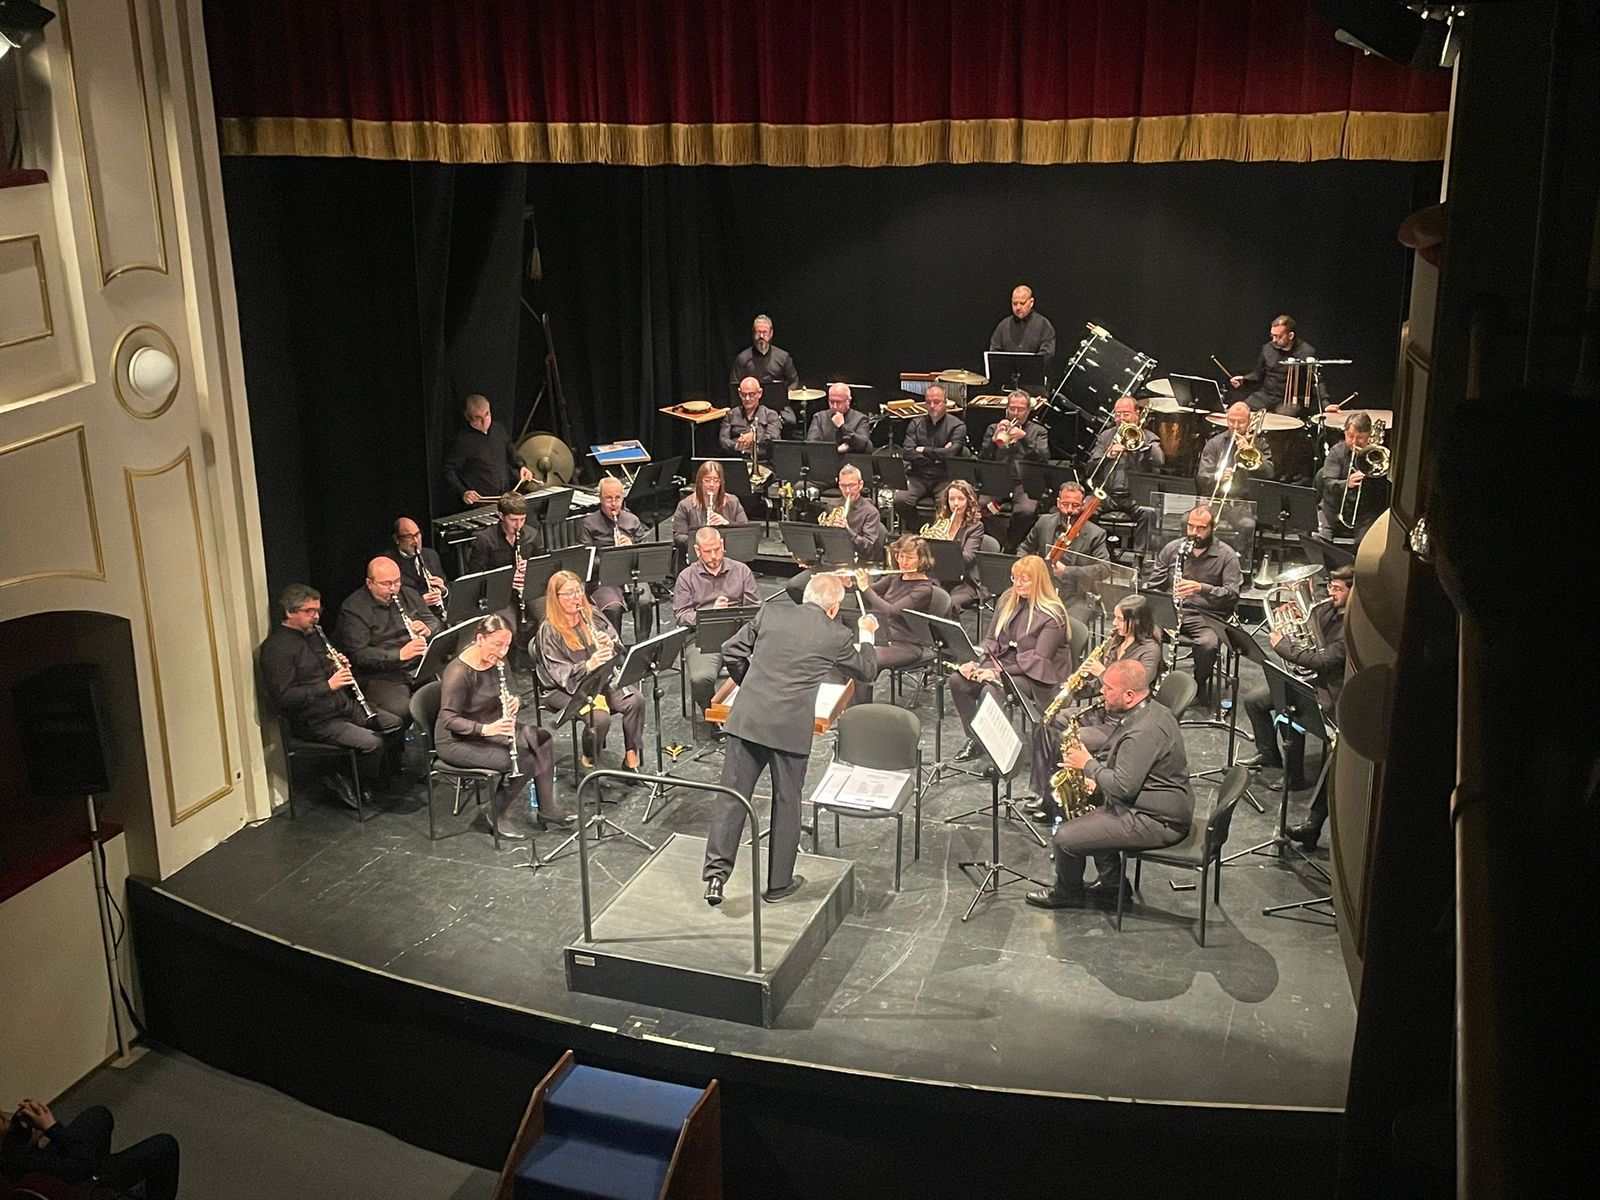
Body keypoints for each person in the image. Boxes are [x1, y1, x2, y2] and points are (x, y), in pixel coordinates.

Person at [702, 574, 878, 906]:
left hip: (748, 720)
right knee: (787, 802)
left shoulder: (771, 612)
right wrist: (867, 634)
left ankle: (715, 877)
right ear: (834, 607)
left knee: (732, 796)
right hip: (789, 730)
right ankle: (779, 884)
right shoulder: (837, 634)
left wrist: (749, 683)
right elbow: (867, 670)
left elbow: (731, 650)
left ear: (807, 597)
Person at [1025, 658, 1193, 912]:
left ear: (1129, 695)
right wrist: (1097, 781)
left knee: (1064, 837)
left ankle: (1068, 894)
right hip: (1153, 805)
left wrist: (1088, 764)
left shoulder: (1142, 732)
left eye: (1109, 688)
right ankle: (1113, 886)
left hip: (1157, 820)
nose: (1102, 692)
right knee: (1088, 811)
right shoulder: (1153, 711)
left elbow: (1124, 788)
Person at [259, 584, 403, 807]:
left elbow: (326, 672)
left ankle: (360, 776)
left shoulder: (315, 635)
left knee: (394, 723)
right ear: (290, 612)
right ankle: (344, 778)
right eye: (309, 612)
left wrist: (338, 666)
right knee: (372, 742)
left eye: (318, 611)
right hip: (315, 719)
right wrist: (328, 685)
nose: (316, 617)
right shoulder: (277, 649)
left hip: (342, 705)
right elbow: (284, 698)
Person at [1025, 595, 1164, 820]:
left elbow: (1135, 685)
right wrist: (1078, 687)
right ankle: (1042, 789)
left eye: (1120, 619)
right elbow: (1101, 687)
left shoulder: (1150, 651)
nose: (1115, 624)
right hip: (1103, 708)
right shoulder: (1117, 641)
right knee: (1047, 722)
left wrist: (1102, 672)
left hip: (1123, 721)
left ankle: (1059, 801)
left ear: (1135, 621)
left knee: (1066, 739)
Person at [1240, 566, 1351, 847]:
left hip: (1330, 689)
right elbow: (1309, 624)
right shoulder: (1327, 609)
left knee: (1293, 710)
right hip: (1309, 678)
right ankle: (1269, 754)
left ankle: (1296, 776)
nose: (1331, 594)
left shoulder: (1352, 625)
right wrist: (1295, 610)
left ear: (1354, 591)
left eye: (1338, 589)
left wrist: (1285, 649)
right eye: (1331, 587)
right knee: (1254, 700)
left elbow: (1325, 661)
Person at [434, 614, 566, 839]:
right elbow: (449, 719)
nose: (502, 651)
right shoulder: (459, 672)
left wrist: (515, 701)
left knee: (542, 739)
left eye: (506, 645)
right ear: (479, 639)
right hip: (458, 738)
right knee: (524, 760)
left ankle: (548, 810)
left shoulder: (499, 660)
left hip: (492, 725)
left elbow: (514, 692)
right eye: (497, 644)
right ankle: (495, 814)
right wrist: (485, 730)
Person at [947, 554, 1073, 760]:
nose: (1018, 584)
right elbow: (991, 640)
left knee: (991, 689)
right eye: (1015, 578)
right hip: (1006, 663)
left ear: (1039, 580)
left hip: (1037, 676)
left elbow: (1038, 659)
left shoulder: (1053, 615)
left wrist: (995, 673)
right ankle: (977, 739)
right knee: (958, 681)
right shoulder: (1007, 599)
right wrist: (975, 662)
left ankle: (999, 752)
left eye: (1025, 579)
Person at [535, 570, 645, 772]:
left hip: (599, 679)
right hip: (566, 688)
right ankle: (589, 757)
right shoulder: (549, 629)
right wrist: (588, 665)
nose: (575, 597)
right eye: (568, 594)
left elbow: (617, 644)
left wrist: (610, 643)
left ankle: (631, 756)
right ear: (555, 597)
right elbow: (558, 672)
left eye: (577, 591)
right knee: (599, 718)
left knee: (634, 700)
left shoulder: (592, 614)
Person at [1145, 506, 1242, 707]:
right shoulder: (1172, 549)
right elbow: (1154, 585)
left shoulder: (1227, 556)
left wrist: (1201, 588)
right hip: (1171, 610)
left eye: (1201, 528)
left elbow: (1232, 595)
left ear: (1212, 528)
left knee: (1208, 644)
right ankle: (1156, 681)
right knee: (1145, 632)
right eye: (1190, 526)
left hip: (1205, 615)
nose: (1194, 533)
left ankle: (1197, 685)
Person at [673, 526, 759, 737]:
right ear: (697, 550)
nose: (713, 556)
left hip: (738, 636)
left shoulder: (741, 571)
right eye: (707, 551)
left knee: (763, 669)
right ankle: (712, 717)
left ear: (722, 545)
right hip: (702, 638)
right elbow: (681, 615)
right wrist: (709, 613)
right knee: (701, 678)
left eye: (716, 550)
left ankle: (751, 715)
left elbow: (756, 609)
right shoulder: (686, 577)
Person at [334, 557, 442, 724]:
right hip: (382, 675)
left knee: (453, 693)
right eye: (386, 584)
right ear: (369, 583)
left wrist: (428, 630)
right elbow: (358, 655)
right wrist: (398, 654)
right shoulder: (353, 609)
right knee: (405, 711)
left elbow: (434, 622)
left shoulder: (408, 594)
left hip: (418, 666)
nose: (393, 589)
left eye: (397, 582)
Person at [2, 1100, 179, 1200]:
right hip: (74, 1184)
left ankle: (109, 1184)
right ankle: (103, 1185)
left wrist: (30, 1135)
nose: (6, 1116)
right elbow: (82, 1167)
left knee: (98, 1115)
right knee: (164, 1146)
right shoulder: (18, 1163)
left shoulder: (12, 1151)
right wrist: (52, 1128)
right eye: (2, 1119)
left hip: (60, 1170)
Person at [845, 534, 935, 703]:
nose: (903, 562)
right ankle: (846, 711)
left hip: (907, 644)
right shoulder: (896, 577)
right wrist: (849, 582)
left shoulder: (923, 589)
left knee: (865, 660)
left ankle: (860, 714)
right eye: (900, 556)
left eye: (909, 557)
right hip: (884, 635)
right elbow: (873, 589)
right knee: (846, 654)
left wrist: (866, 589)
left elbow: (892, 611)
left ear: (922, 559)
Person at [785, 464, 884, 602]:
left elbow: (868, 546)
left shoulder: (870, 512)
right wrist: (810, 558)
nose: (848, 490)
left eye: (852, 485)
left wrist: (847, 530)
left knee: (846, 599)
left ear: (860, 485)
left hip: (855, 566)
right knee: (794, 586)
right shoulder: (832, 506)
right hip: (829, 563)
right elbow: (820, 539)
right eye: (843, 486)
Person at [1017, 481, 1113, 617]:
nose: (1069, 510)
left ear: (1083, 505)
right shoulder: (1044, 522)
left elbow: (1104, 569)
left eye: (1075, 505)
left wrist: (1066, 571)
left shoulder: (1095, 534)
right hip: (1043, 589)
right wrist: (1028, 570)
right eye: (1065, 504)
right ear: (1058, 502)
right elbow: (1024, 548)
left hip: (1077, 595)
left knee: (1069, 629)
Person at [577, 476, 655, 640]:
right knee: (612, 607)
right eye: (608, 498)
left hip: (632, 574)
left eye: (617, 498)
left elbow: (645, 554)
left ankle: (643, 647)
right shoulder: (588, 524)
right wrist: (612, 556)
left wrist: (630, 548)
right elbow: (586, 562)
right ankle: (615, 652)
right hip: (603, 579)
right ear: (600, 498)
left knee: (644, 601)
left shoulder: (632, 520)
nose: (613, 503)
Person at [1196, 401, 1274, 560]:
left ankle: (1238, 562)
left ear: (1250, 420)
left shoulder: (1259, 444)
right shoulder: (1215, 443)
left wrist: (1249, 452)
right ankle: (1198, 559)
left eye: (1241, 422)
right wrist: (1218, 476)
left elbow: (1270, 472)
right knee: (1188, 520)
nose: (1235, 426)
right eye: (1231, 421)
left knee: (1247, 525)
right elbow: (1202, 476)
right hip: (1215, 498)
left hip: (1242, 502)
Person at [1086, 395, 1162, 552]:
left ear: (1137, 414)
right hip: (1107, 495)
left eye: (1126, 414)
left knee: (1148, 513)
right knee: (1085, 509)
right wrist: (1108, 456)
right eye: (1117, 414)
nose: (1121, 419)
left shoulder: (1148, 437)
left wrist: (1145, 445)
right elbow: (1090, 468)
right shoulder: (1106, 436)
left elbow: (1160, 461)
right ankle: (1100, 552)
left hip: (1135, 496)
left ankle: (1138, 561)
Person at [977, 389, 1049, 548]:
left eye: (1021, 409)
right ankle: (997, 542)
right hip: (998, 480)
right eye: (1012, 408)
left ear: (1029, 410)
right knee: (978, 508)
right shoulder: (993, 428)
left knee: (1026, 511)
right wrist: (994, 440)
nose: (1015, 413)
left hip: (1024, 483)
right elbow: (983, 459)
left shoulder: (1038, 432)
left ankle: (1012, 545)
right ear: (1006, 408)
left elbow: (1043, 459)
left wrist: (1024, 438)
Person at [892, 384, 968, 530]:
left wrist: (923, 450)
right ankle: (920, 529)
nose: (932, 406)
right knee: (900, 500)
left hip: (944, 477)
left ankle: (940, 534)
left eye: (937, 402)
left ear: (945, 402)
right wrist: (937, 455)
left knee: (947, 505)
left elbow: (951, 454)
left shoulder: (957, 426)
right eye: (928, 402)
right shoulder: (915, 423)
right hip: (918, 476)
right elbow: (908, 452)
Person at [467, 491, 547, 620]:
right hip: (498, 594)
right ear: (501, 516)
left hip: (528, 590)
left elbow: (543, 565)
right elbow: (476, 577)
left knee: (550, 617)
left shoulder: (532, 534)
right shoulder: (484, 539)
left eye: (522, 519)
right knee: (506, 628)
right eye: (513, 520)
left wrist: (530, 567)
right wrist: (507, 579)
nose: (518, 525)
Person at [1228, 314, 1328, 417]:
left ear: (1290, 336)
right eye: (1272, 335)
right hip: (1266, 395)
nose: (1274, 340)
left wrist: (1325, 404)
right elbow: (1258, 374)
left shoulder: (1306, 352)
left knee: (1284, 416)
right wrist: (1244, 379)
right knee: (1239, 411)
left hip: (1290, 399)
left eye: (1278, 336)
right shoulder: (1267, 349)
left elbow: (1316, 381)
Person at [443, 393, 532, 506]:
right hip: (480, 503)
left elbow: (511, 453)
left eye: (487, 415)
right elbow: (448, 470)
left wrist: (521, 466)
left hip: (504, 498)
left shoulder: (498, 429)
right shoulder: (462, 441)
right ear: (467, 416)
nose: (485, 422)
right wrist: (463, 492)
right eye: (478, 418)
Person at [1316, 411, 1390, 541]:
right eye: (1350, 436)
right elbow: (1328, 482)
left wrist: (1371, 472)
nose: (1354, 441)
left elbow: (1385, 490)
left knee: (1365, 547)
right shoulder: (1336, 452)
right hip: (1333, 509)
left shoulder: (1377, 456)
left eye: (1360, 437)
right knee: (1318, 540)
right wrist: (1347, 483)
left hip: (1365, 513)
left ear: (1369, 435)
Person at [923, 478, 986, 614]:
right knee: (920, 597)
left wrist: (945, 549)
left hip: (964, 582)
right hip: (940, 577)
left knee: (947, 606)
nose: (956, 503)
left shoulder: (976, 527)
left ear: (968, 501)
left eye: (960, 499)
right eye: (952, 499)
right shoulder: (941, 521)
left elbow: (967, 559)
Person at [729, 313, 798, 421]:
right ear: (753, 334)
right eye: (758, 332)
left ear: (771, 333)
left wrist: (786, 395)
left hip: (778, 408)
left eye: (764, 332)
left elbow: (793, 381)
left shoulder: (783, 357)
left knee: (791, 420)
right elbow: (734, 387)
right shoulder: (742, 358)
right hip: (750, 408)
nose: (761, 336)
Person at [671, 460, 747, 553]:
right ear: (700, 482)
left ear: (721, 483)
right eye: (707, 480)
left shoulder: (733, 502)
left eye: (716, 481)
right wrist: (702, 541)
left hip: (728, 554)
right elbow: (679, 537)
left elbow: (745, 530)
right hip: (698, 556)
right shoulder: (685, 505)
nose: (712, 485)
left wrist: (727, 524)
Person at [385, 516, 448, 617]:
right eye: (409, 536)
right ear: (397, 539)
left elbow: (446, 584)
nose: (416, 541)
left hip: (438, 615)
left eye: (417, 534)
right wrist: (419, 603)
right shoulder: (387, 563)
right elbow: (388, 604)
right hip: (412, 620)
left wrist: (443, 591)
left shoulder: (431, 555)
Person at [719, 375, 785, 463]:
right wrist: (737, 445)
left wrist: (754, 437)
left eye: (751, 394)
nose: (747, 398)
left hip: (763, 462)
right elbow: (723, 440)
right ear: (739, 393)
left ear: (759, 393)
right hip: (738, 461)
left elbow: (773, 438)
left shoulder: (771, 415)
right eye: (743, 394)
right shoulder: (731, 415)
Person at [989, 284, 1057, 359]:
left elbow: (1046, 355)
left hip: (1034, 370)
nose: (1018, 307)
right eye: (1015, 303)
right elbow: (994, 354)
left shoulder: (1043, 325)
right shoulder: (1003, 326)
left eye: (1022, 303)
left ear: (1031, 302)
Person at [806, 383, 872, 454]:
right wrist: (836, 450)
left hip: (851, 461)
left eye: (838, 402)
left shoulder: (861, 419)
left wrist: (842, 427)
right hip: (824, 459)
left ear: (848, 401)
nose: (834, 406)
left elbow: (863, 445)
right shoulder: (819, 417)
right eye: (831, 402)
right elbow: (811, 444)